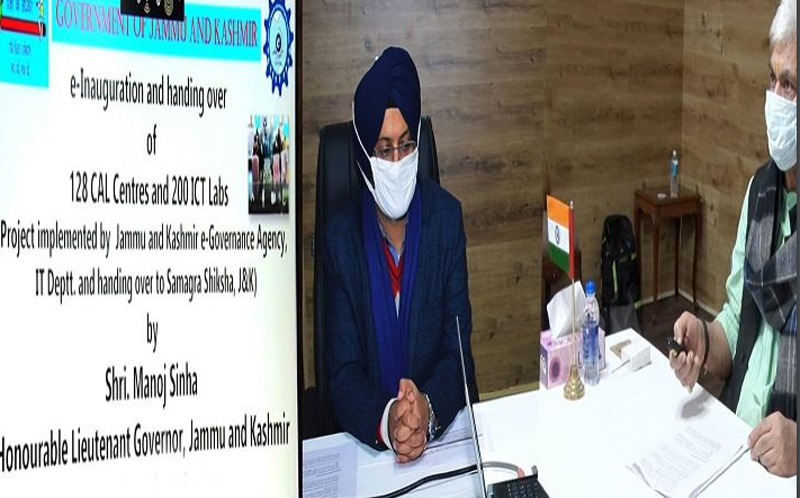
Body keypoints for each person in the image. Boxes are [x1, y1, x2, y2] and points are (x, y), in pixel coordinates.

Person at [324, 46, 477, 463]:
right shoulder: (340, 239)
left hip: (440, 441)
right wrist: (390, 418)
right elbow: (343, 374)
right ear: (363, 155)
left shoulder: (446, 219)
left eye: (407, 145)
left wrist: (426, 408)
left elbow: (458, 354)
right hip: (369, 451)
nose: (397, 161)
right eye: (384, 148)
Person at [669, 0, 797, 477]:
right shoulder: (760, 192)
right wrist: (703, 341)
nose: (776, 99)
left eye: (791, 85)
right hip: (732, 447)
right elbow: (738, 324)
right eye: (772, 79)